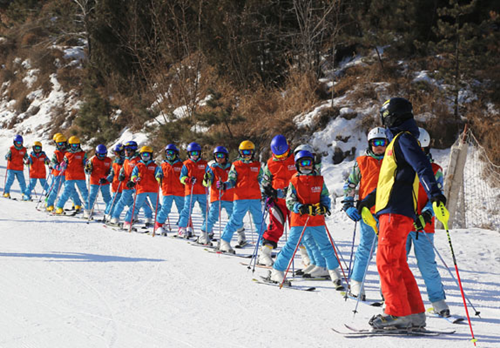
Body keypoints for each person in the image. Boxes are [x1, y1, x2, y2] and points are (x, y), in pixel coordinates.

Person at [358, 97, 447, 330]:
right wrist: (367, 201)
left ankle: (396, 312)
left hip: (394, 212)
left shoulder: (403, 139)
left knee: (386, 261)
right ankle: (415, 312)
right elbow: (391, 181)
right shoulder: (399, 142)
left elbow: (422, 165)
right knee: (397, 262)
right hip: (394, 209)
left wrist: (435, 194)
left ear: (391, 117)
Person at [270, 150, 343, 289]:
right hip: (299, 221)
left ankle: (333, 271)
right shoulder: (294, 181)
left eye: (308, 162)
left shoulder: (319, 180)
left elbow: (325, 197)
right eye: (302, 163)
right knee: (291, 246)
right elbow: (289, 201)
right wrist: (300, 208)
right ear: (297, 165)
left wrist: (324, 207)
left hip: (317, 220)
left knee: (326, 246)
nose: (306, 166)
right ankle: (277, 270)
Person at [406, 127, 450, 317]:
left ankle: (438, 301)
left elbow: (437, 197)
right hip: (402, 222)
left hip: (424, 225)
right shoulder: (402, 169)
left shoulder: (434, 171)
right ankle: (391, 297)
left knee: (427, 265)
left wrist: (425, 214)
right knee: (396, 261)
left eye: (421, 151)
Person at [342, 126, 387, 300]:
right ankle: (356, 282)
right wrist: (348, 203)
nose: (379, 146)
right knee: (366, 248)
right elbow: (351, 184)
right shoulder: (361, 162)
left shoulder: (392, 161)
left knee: (386, 250)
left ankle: (386, 287)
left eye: (382, 142)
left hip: (388, 211)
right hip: (368, 212)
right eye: (375, 143)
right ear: (370, 144)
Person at [218, 140, 266, 253]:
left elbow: (261, 180)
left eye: (249, 152)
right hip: (240, 197)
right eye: (244, 152)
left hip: (255, 197)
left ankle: (264, 244)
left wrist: (266, 189)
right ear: (240, 152)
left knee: (259, 221)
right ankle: (225, 241)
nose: (247, 154)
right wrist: (224, 185)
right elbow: (232, 180)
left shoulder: (257, 165)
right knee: (235, 220)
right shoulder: (236, 165)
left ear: (253, 152)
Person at [258, 135, 297, 266]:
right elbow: (265, 182)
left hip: (295, 201)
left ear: (289, 147)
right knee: (276, 227)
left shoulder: (296, 159)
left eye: (284, 154)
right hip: (278, 201)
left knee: (297, 228)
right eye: (278, 155)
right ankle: (264, 253)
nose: (281, 158)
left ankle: (306, 256)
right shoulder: (270, 164)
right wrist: (266, 194)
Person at [109, 141, 153, 226]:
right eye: (125, 150)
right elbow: (123, 169)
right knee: (122, 201)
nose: (125, 151)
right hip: (126, 185)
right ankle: (115, 217)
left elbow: (142, 171)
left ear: (132, 150)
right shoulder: (126, 159)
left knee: (143, 202)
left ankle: (148, 217)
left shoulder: (138, 160)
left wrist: (134, 181)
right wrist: (121, 175)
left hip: (137, 185)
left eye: (127, 150)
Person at [199, 146, 234, 245]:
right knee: (212, 217)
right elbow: (206, 184)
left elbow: (234, 180)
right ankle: (203, 235)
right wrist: (207, 179)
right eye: (217, 156)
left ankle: (240, 235)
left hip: (229, 197)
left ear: (226, 156)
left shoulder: (231, 167)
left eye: (221, 155)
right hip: (216, 197)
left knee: (234, 217)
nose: (219, 158)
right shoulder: (212, 168)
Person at [122, 146, 162, 229]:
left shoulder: (154, 166)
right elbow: (134, 175)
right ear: (140, 155)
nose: (145, 156)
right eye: (143, 154)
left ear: (151, 155)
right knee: (136, 206)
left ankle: (160, 223)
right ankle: (127, 221)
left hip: (152, 189)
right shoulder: (138, 166)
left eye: (147, 154)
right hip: (141, 189)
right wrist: (134, 179)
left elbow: (158, 174)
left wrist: (159, 177)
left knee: (157, 206)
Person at [178, 142, 209, 238]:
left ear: (199, 153)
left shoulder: (204, 164)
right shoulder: (186, 164)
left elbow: (209, 174)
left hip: (202, 191)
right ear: (189, 154)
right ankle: (182, 228)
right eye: (192, 153)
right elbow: (181, 177)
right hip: (190, 191)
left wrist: (208, 178)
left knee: (206, 210)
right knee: (187, 210)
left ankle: (207, 229)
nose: (194, 155)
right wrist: (187, 179)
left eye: (196, 153)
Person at [155, 144, 185, 235]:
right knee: (165, 209)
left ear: (176, 153)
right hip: (167, 191)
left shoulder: (181, 165)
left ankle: (182, 226)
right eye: (167, 153)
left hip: (179, 191)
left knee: (182, 209)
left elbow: (185, 175)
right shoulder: (163, 165)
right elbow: (157, 174)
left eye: (171, 152)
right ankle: (159, 225)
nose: (169, 155)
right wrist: (158, 176)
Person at [54, 136, 89, 214]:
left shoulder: (82, 154)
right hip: (69, 176)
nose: (75, 147)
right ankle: (59, 207)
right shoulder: (67, 154)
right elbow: (65, 163)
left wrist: (87, 164)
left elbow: (85, 162)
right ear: (70, 145)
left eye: (76, 145)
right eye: (73, 145)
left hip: (80, 176)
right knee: (66, 192)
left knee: (84, 192)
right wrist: (63, 164)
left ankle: (88, 208)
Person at [46, 134, 81, 212]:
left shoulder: (69, 151)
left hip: (68, 174)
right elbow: (52, 163)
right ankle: (49, 204)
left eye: (63, 143)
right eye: (60, 144)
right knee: (55, 190)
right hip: (58, 174)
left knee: (71, 189)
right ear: (56, 144)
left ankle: (77, 204)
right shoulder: (56, 153)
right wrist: (56, 166)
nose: (62, 146)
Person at [84, 144, 112, 218]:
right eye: (100, 155)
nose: (102, 156)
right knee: (92, 196)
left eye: (104, 154)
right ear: (96, 153)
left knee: (107, 197)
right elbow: (87, 170)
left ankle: (109, 211)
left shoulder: (109, 160)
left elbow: (111, 172)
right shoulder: (92, 160)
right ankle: (87, 210)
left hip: (105, 182)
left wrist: (106, 178)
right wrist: (88, 170)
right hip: (95, 181)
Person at [104, 144, 125, 221]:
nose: (116, 155)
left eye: (117, 153)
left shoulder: (126, 162)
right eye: (115, 153)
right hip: (116, 185)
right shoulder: (115, 162)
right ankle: (108, 214)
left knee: (129, 202)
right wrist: (108, 179)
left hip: (125, 186)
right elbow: (112, 173)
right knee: (114, 201)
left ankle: (133, 216)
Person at [3, 135, 28, 199]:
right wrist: (7, 156)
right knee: (10, 180)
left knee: (22, 181)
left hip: (19, 168)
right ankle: (6, 192)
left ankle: (24, 193)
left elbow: (26, 157)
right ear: (14, 142)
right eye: (18, 142)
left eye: (20, 142)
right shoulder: (11, 149)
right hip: (11, 167)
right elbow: (6, 156)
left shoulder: (24, 149)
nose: (19, 144)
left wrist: (27, 160)